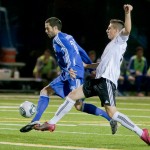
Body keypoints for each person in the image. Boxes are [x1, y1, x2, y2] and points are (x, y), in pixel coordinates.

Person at [34, 5, 150, 145]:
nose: (107, 29)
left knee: (113, 113)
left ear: (117, 31)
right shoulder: (111, 45)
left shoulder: (120, 40)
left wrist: (127, 13)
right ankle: (51, 123)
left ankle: (142, 133)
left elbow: (128, 29)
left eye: (110, 28)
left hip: (106, 82)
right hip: (98, 81)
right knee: (72, 96)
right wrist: (88, 66)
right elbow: (102, 64)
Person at [20, 17, 117, 134]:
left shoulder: (58, 39)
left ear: (55, 28)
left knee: (78, 105)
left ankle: (110, 117)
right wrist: (91, 66)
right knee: (45, 91)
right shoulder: (68, 37)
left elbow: (69, 53)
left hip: (73, 73)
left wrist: (70, 68)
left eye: (47, 28)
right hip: (68, 72)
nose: (46, 31)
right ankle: (35, 121)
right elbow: (80, 50)